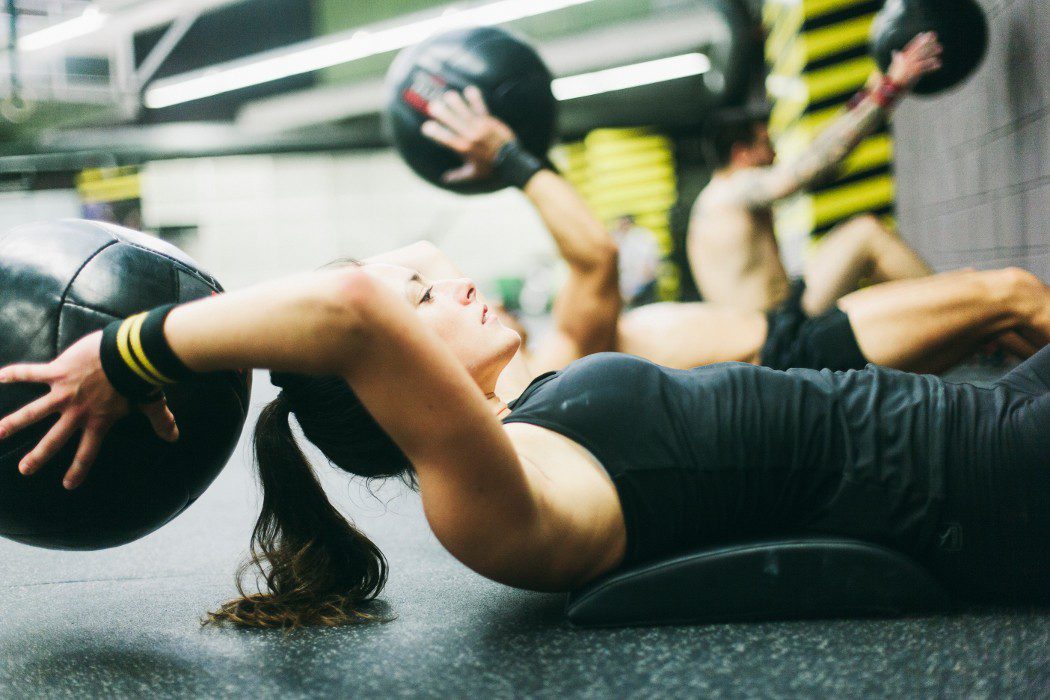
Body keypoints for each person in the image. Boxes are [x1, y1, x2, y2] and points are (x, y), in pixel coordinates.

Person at [2, 89, 1048, 632]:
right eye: (425, 300)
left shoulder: (542, 405)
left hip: (977, 428)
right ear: (390, 388)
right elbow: (350, 309)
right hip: (984, 479)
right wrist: (127, 356)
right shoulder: (496, 509)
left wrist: (506, 160)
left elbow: (393, 297)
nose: (444, 279)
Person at [410, 87, 1048, 377]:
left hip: (790, 340)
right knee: (1008, 293)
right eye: (425, 296)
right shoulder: (547, 373)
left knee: (990, 310)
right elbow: (595, 258)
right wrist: (514, 160)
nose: (461, 286)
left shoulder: (543, 366)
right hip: (791, 357)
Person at [687, 32, 941, 317]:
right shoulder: (734, 190)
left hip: (779, 317)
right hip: (778, 333)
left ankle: (950, 325)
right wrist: (890, 89)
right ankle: (972, 313)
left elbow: (814, 151)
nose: (774, 154)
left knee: (867, 266)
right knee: (866, 234)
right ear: (741, 153)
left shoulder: (712, 200)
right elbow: (813, 165)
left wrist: (868, 96)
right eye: (766, 145)